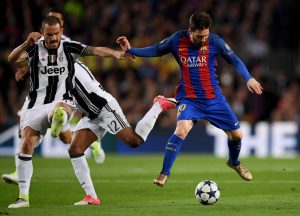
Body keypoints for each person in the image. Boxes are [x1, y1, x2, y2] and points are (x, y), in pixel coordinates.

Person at [117, 11, 263, 187]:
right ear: (190, 31)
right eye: (200, 36)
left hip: (214, 98)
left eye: (206, 35)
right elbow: (156, 49)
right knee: (180, 131)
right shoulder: (177, 40)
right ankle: (164, 173)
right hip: (190, 98)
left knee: (237, 135)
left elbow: (235, 60)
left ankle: (234, 162)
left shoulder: (215, 42)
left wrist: (248, 78)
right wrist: (132, 50)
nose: (203, 40)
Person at [7, 16, 129, 208]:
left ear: (61, 32)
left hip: (62, 99)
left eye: (56, 34)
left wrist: (114, 53)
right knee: (26, 145)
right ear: (43, 32)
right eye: (49, 35)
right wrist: (25, 43)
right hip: (36, 102)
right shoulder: (34, 48)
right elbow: (12, 59)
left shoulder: (69, 47)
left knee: (62, 108)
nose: (53, 38)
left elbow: (95, 50)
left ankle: (58, 118)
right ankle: (24, 198)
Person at [2, 9, 105, 186]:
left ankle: (21, 169)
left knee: (40, 130)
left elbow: (76, 63)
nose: (53, 33)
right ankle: (20, 168)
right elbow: (35, 60)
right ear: (43, 28)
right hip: (40, 95)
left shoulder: (67, 44)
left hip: (61, 94)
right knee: (58, 135)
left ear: (62, 26)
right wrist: (25, 69)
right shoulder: (40, 43)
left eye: (57, 23)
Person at [68, 61, 177, 205]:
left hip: (104, 107)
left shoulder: (66, 60)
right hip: (89, 113)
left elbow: (93, 51)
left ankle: (159, 104)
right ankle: (91, 197)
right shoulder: (52, 67)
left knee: (135, 141)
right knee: (75, 149)